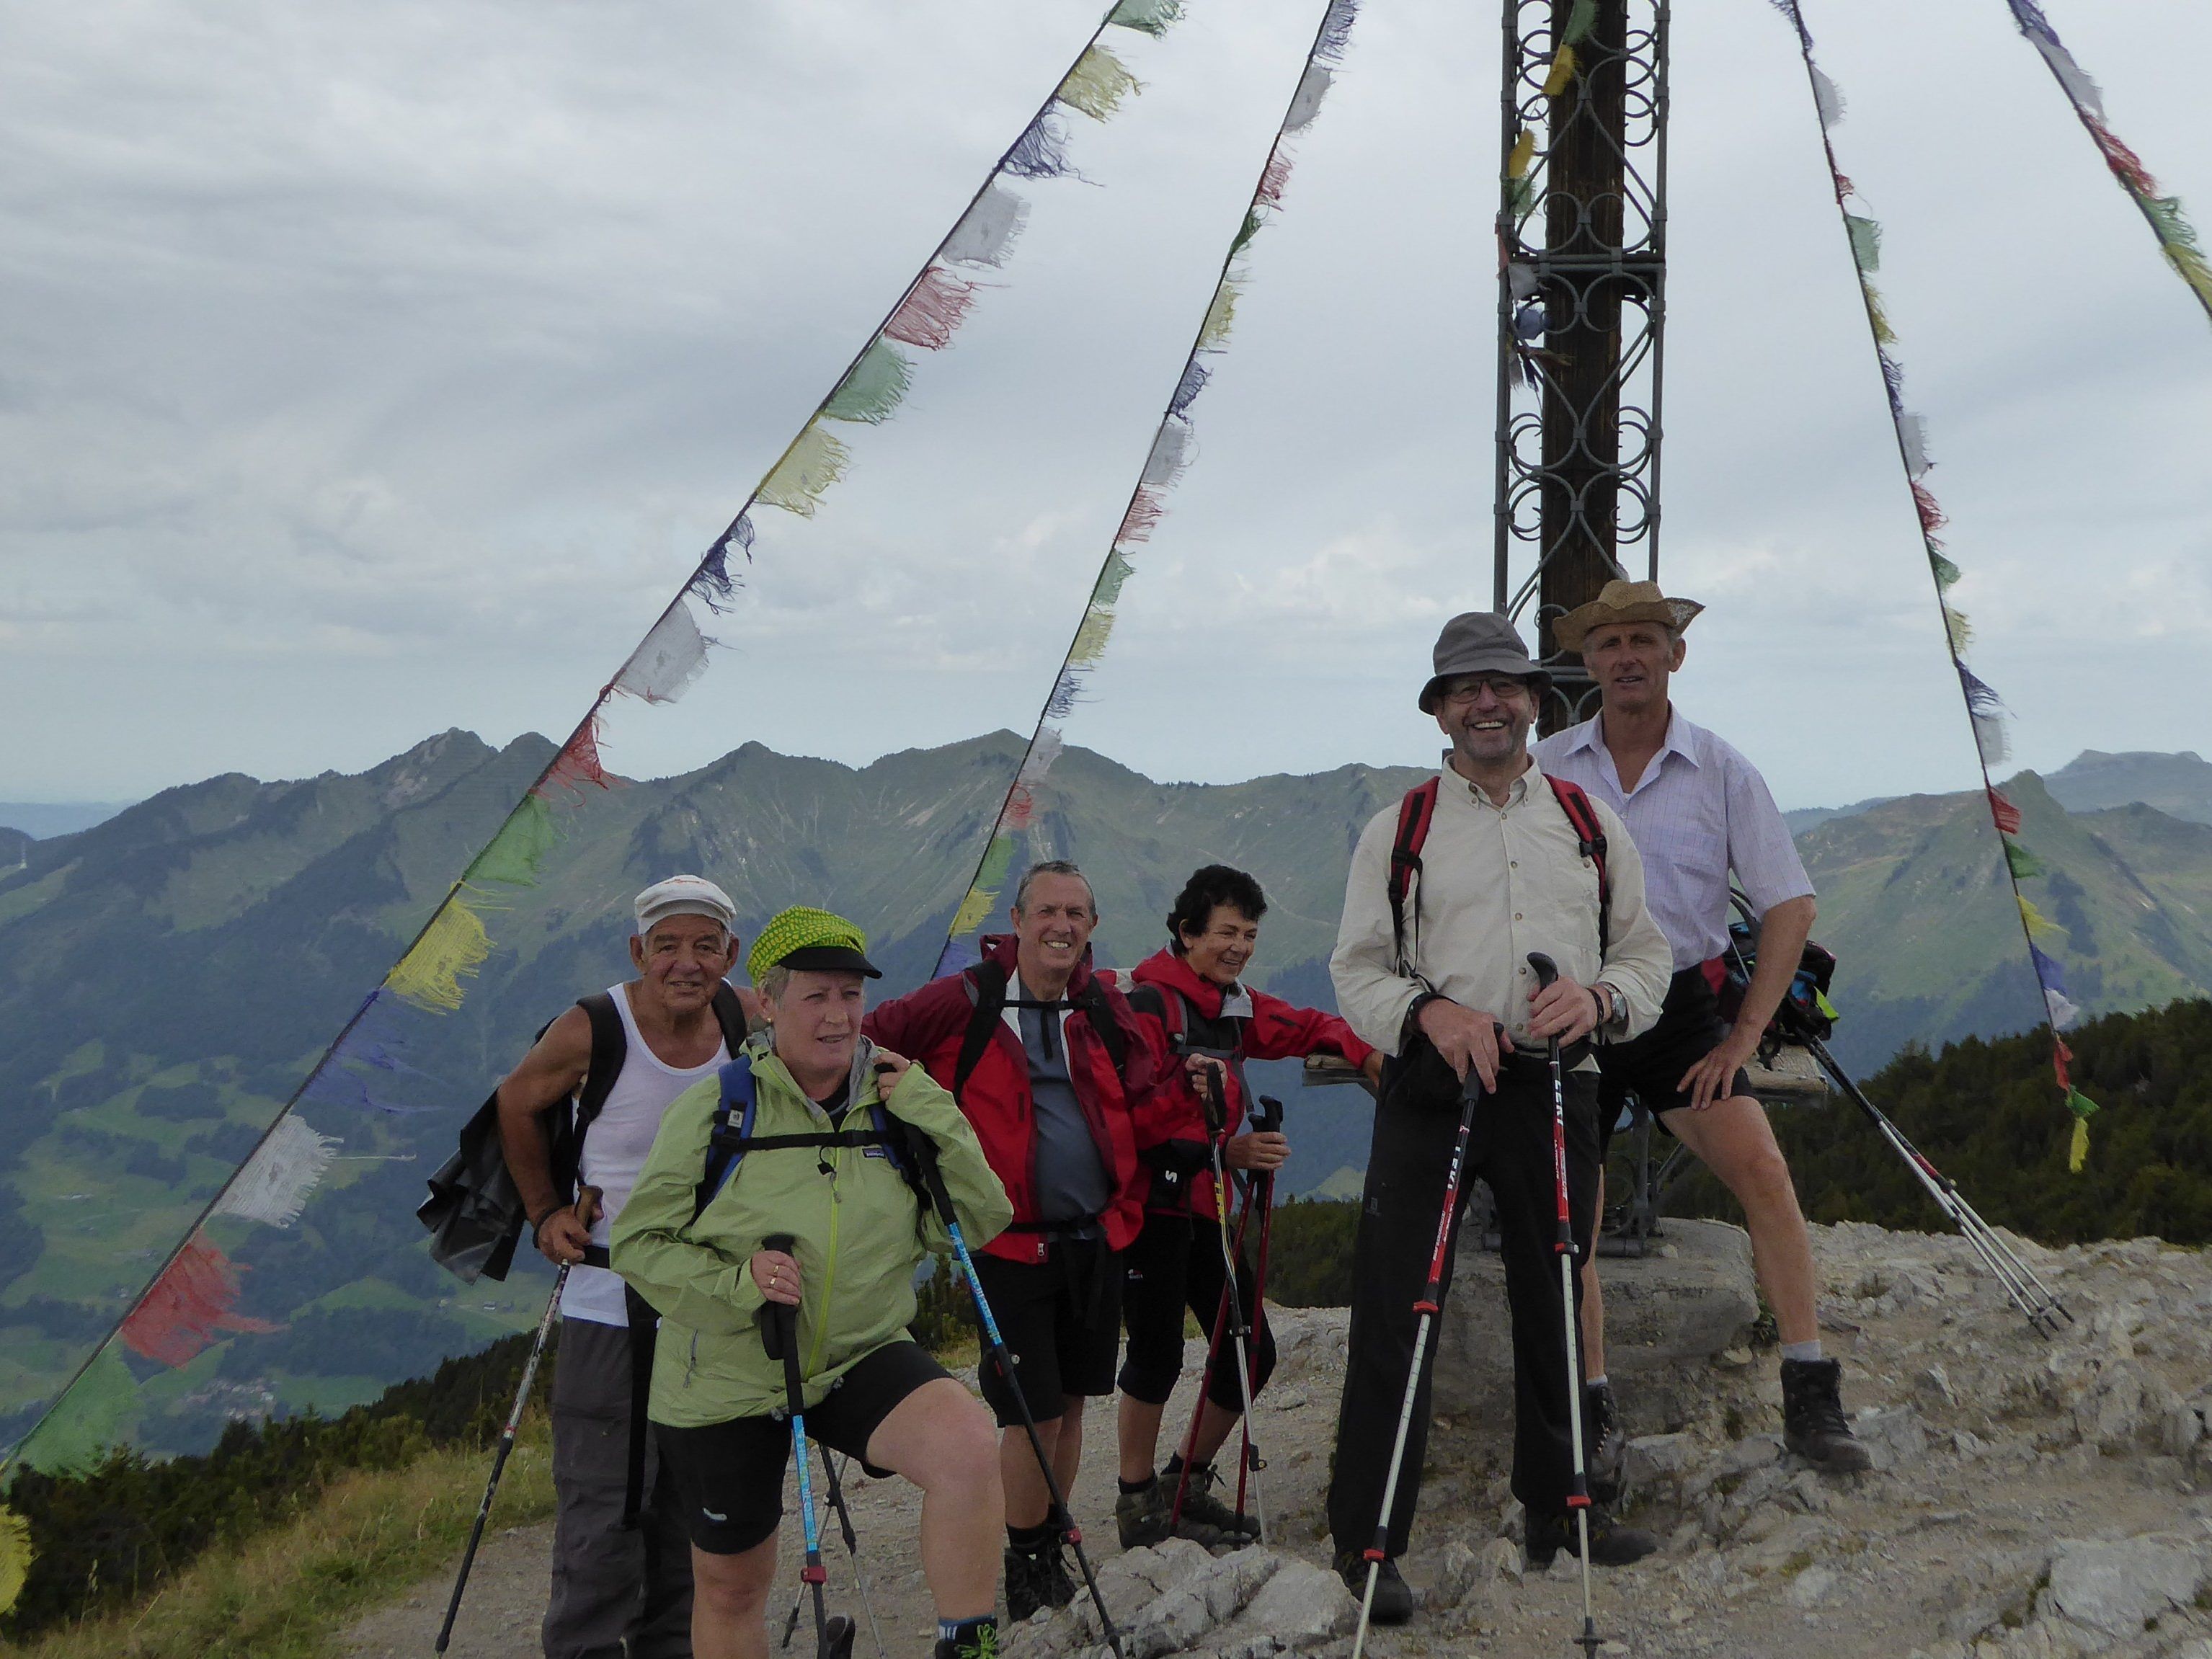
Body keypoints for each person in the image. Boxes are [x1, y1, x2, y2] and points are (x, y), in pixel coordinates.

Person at [1326, 610, 1675, 1620]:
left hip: (1552, 1077)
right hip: (1435, 1083)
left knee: (1554, 1291)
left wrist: (1601, 1000)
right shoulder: (1399, 829)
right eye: (1466, 687)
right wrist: (1428, 1010)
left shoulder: (1582, 818)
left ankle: (1564, 1508)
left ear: (1533, 701)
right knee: (1398, 1304)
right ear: (1438, 709)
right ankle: (1368, 1542)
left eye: (1505, 684)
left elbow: (1643, 953)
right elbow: (1356, 970)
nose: (1488, 701)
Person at [610, 907, 1013, 1659]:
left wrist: (934, 1107)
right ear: (768, 1002)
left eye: (851, 996)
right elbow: (638, 1245)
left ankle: (970, 1646)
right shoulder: (717, 1112)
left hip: (858, 1352)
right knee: (734, 1586)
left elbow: (982, 1217)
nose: (839, 1016)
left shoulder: (895, 1108)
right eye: (816, 996)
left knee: (966, 1445)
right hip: (726, 1376)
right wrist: (740, 1281)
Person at [1535, 579, 1871, 1478]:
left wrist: (1744, 1033)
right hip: (1577, 1013)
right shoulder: (1550, 767)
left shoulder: (1721, 770)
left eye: (1645, 639)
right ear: (1590, 662)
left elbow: (1789, 904)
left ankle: (1810, 1390)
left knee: (1764, 1171)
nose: (1628, 657)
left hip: (1678, 1010)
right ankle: (1592, 1413)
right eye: (1610, 644)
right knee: (1580, 1216)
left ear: (1675, 654)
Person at [864, 860, 1163, 1621]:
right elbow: (865, 1038)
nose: (1061, 925)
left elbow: (1142, 1082)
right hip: (1005, 1241)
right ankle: (1028, 1563)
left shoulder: (1098, 1004)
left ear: (1092, 927)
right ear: (1019, 920)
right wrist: (908, 1117)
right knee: (1031, 1411)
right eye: (1047, 911)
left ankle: (1048, 1543)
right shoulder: (966, 999)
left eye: (1076, 914)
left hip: (1096, 1236)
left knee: (1069, 1404)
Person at [494, 874, 760, 1659]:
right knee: (605, 1511)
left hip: (708, 1305)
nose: (686, 962)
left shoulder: (744, 1017)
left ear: (730, 954)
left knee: (695, 1508)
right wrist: (544, 1211)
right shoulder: (594, 1026)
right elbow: (516, 1101)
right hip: (608, 1303)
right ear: (638, 949)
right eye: (668, 945)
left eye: (705, 945)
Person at [1113, 863, 1382, 1547]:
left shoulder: (1228, 1007)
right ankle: (1136, 1500)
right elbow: (1128, 1116)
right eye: (1226, 932)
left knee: (1250, 1350)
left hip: (1202, 1207)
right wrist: (1226, 1152)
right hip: (1149, 1205)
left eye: (1250, 934)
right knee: (1155, 1354)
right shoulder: (1147, 1007)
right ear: (1185, 932)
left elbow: (1304, 1026)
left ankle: (1184, 1482)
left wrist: (1367, 1055)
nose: (1239, 947)